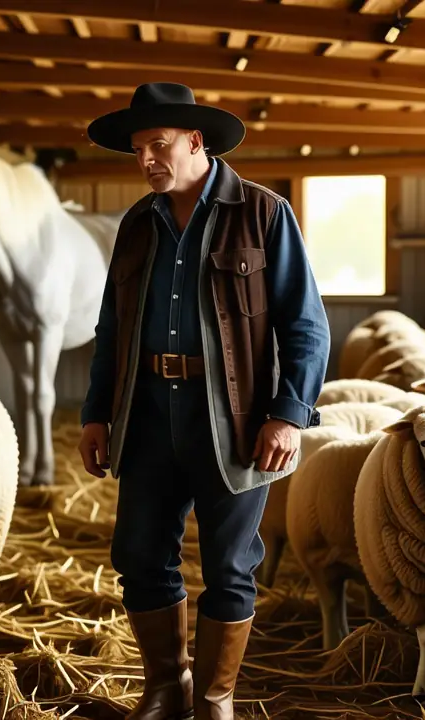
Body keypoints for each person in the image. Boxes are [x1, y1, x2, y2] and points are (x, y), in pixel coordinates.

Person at [77, 82, 331, 720]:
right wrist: (94, 412)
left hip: (238, 419)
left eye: (158, 146)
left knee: (231, 565)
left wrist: (288, 412)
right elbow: (111, 327)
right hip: (147, 414)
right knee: (139, 553)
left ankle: (216, 696)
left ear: (196, 141)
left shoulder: (263, 213)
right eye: (138, 151)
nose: (146, 162)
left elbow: (306, 325)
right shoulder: (137, 224)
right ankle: (168, 686)